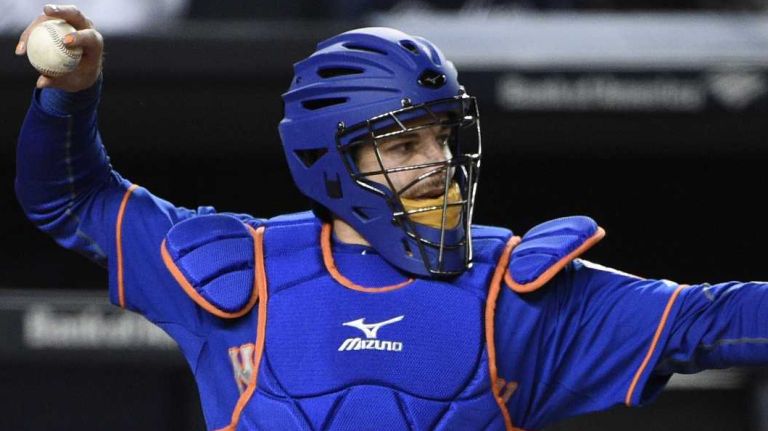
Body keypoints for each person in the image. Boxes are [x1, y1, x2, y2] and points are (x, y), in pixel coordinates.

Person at [13, 5, 768, 431]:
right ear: (329, 159)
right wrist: (69, 95)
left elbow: (708, 319)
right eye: (405, 143)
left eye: (444, 135)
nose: (436, 161)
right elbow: (71, 198)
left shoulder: (515, 288)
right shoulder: (236, 271)